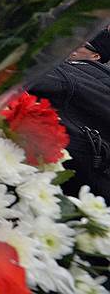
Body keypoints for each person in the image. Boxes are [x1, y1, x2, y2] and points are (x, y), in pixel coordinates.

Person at [28, 29, 110, 199]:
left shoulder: (79, 74)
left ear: (96, 56)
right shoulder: (88, 74)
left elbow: (29, 79)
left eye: (81, 45)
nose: (73, 47)